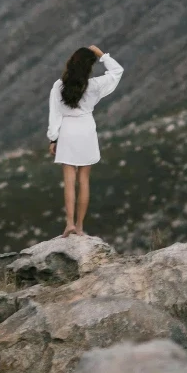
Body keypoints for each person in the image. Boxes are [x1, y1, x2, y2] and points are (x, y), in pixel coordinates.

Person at [47, 45, 124, 237]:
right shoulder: (94, 86)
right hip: (86, 129)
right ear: (89, 67)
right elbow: (117, 71)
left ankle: (69, 224)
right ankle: (80, 227)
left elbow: (54, 115)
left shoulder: (59, 86)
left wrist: (53, 138)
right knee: (84, 180)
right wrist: (101, 54)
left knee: (69, 181)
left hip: (67, 131)